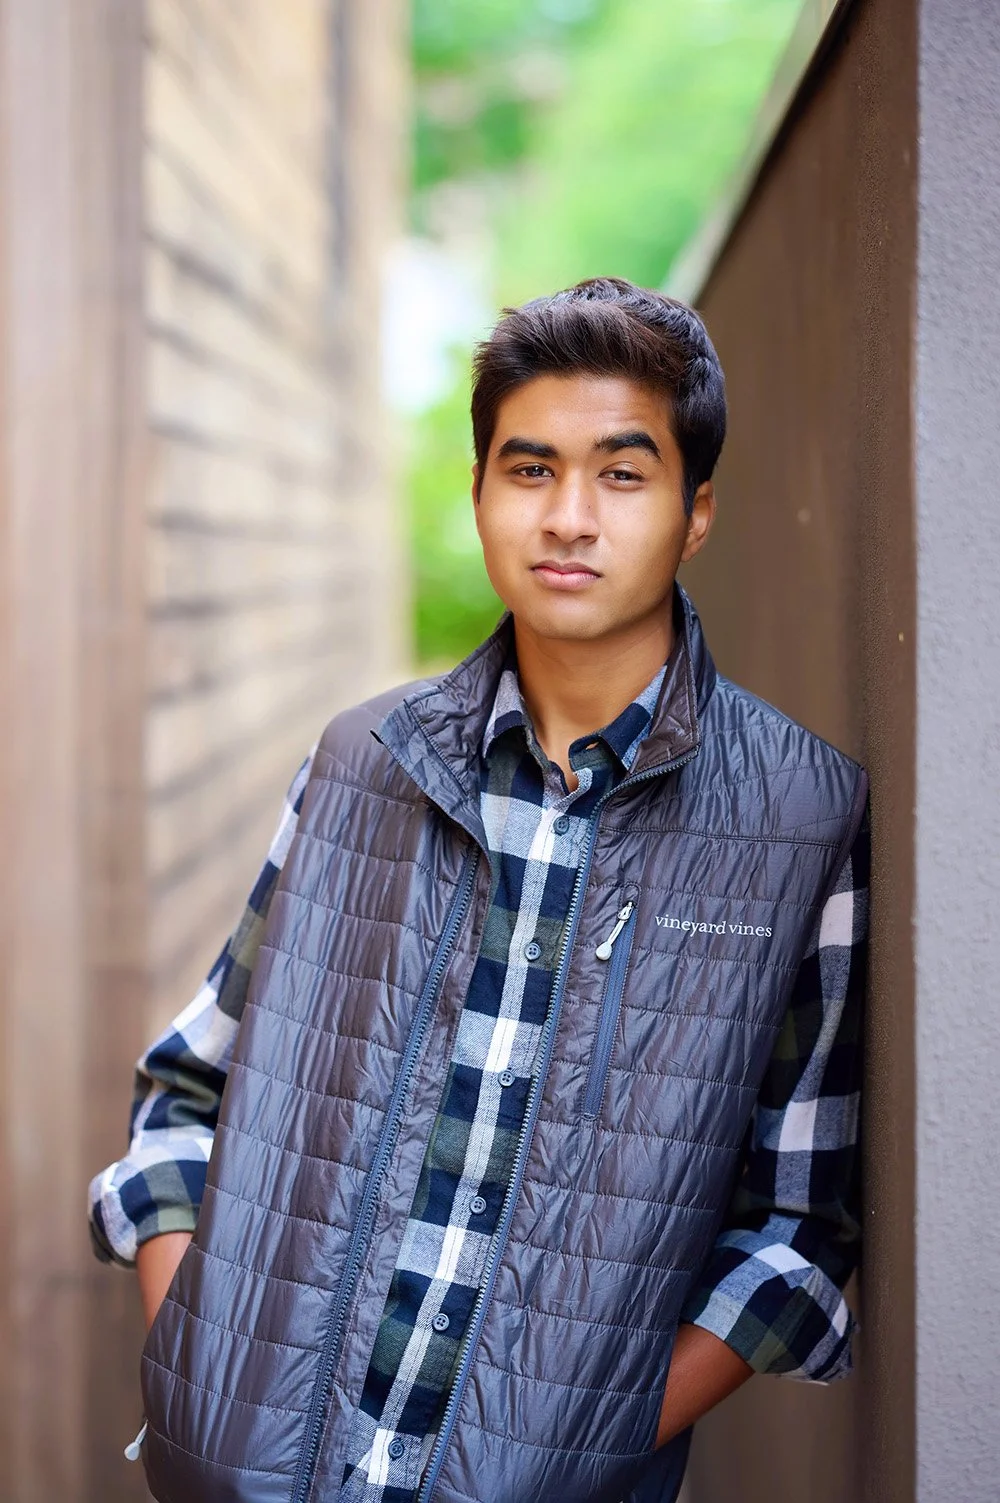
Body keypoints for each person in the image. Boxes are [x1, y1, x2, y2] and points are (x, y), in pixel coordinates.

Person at [89, 277, 868, 1503]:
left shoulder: (799, 816)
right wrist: (199, 1371)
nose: (568, 517)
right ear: (478, 493)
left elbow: (794, 1234)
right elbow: (186, 1094)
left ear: (695, 511)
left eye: (621, 474)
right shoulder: (363, 762)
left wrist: (575, 1451)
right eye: (528, 470)